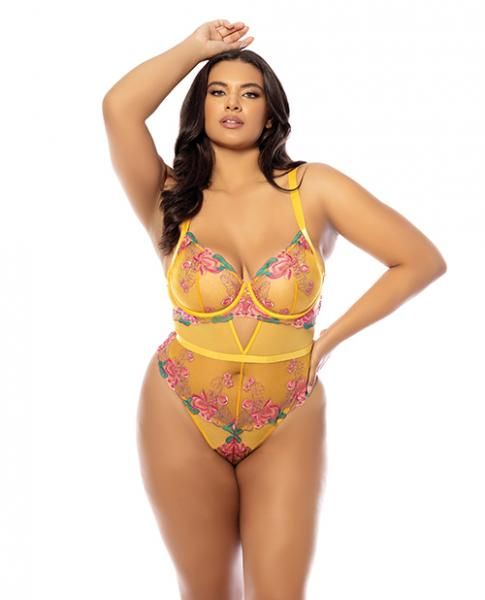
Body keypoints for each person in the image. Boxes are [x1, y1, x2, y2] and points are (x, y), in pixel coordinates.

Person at [102, 19, 447, 600]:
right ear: (200, 109)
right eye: (218, 92)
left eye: (250, 93)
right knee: (207, 591)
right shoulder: (169, 195)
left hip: (288, 410)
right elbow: (119, 108)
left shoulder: (314, 188)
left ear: (270, 114)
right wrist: (196, 50)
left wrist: (328, 341)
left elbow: (419, 260)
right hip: (181, 408)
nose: (233, 103)